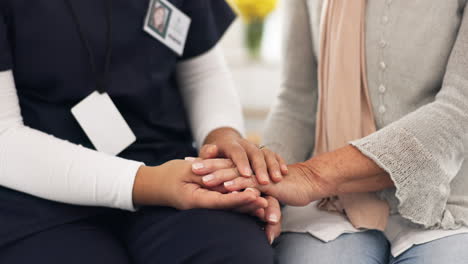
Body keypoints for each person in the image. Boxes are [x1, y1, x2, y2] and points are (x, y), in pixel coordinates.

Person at [0, 0, 285, 263]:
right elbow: (4, 138)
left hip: (171, 170)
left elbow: (202, 73)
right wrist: (149, 183)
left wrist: (222, 140)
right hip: (38, 192)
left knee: (237, 254)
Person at [198, 0, 468, 263]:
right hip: (333, 204)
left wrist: (311, 176)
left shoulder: (314, 178)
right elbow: (297, 100)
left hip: (450, 203)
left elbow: (460, 110)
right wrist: (261, 183)